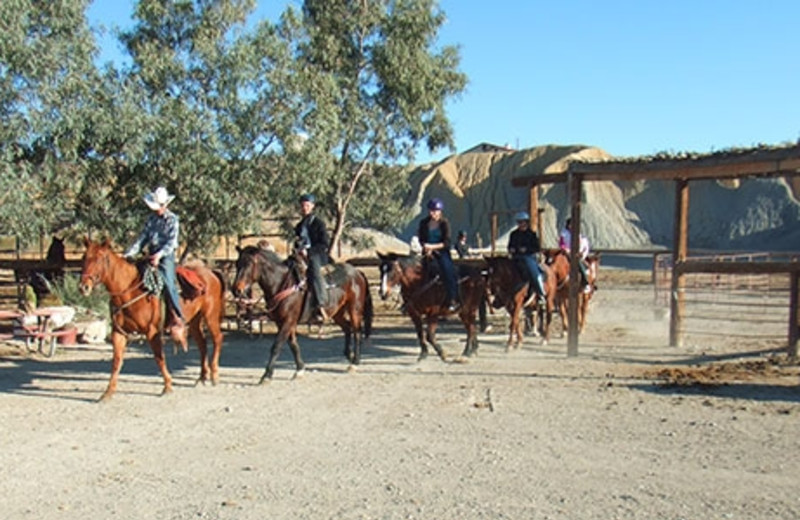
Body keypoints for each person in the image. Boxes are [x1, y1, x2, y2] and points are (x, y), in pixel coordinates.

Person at [125, 186, 186, 337]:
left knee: (168, 281)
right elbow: (142, 239)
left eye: (158, 206)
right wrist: (129, 253)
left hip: (165, 256)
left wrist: (159, 255)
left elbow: (171, 242)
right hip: (150, 254)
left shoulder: (172, 219)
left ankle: (177, 316)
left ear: (165, 205)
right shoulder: (151, 219)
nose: (156, 210)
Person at [418, 197, 460, 312]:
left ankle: (452, 298)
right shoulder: (424, 223)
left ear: (440, 211)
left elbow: (447, 242)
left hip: (441, 253)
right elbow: (421, 238)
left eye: (435, 211)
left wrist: (432, 247)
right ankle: (412, 300)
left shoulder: (444, 223)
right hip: (426, 252)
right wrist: (425, 247)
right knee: (414, 271)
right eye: (431, 211)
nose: (433, 213)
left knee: (448, 270)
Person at [294, 193, 330, 322]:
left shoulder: (319, 224)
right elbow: (298, 240)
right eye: (303, 205)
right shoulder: (299, 226)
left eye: (307, 205)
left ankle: (320, 304)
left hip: (317, 255)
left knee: (314, 270)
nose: (304, 208)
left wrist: (308, 252)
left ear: (312, 206)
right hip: (301, 254)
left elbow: (324, 243)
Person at [507, 211, 546, 307]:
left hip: (528, 257)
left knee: (533, 272)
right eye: (519, 222)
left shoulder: (531, 234)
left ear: (526, 222)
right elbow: (510, 245)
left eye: (522, 222)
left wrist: (526, 249)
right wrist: (511, 249)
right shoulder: (513, 234)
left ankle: (540, 293)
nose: (521, 224)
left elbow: (536, 247)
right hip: (516, 257)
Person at [558, 217, 591, 291]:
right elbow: (561, 243)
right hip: (566, 252)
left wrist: (580, 252)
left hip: (576, 253)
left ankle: (585, 282)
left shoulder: (578, 234)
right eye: (570, 224)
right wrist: (565, 249)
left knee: (578, 263)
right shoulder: (564, 233)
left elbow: (581, 244)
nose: (571, 226)